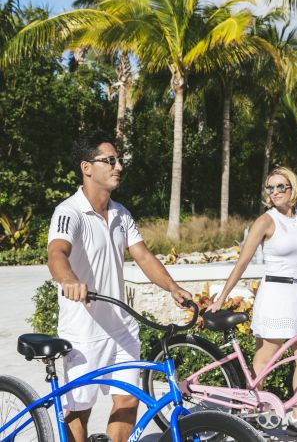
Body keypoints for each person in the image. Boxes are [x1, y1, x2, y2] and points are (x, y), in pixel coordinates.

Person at [47, 131, 191, 442]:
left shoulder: (121, 213)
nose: (119, 166)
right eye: (110, 160)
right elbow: (56, 252)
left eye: (119, 160)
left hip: (121, 327)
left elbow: (143, 255)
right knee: (78, 409)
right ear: (87, 167)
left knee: (128, 399)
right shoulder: (69, 211)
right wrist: (69, 280)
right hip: (84, 329)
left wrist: (172, 287)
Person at [206, 167, 297, 441]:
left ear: (292, 188)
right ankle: (252, 410)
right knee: (265, 360)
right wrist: (222, 297)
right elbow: (242, 262)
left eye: (280, 187)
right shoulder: (265, 221)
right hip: (276, 296)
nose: (274, 193)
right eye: (270, 188)